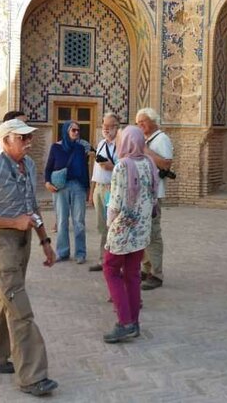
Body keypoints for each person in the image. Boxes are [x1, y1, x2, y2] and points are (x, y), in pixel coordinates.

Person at [0, 119, 58, 397]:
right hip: (2, 241)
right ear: (5, 141)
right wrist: (12, 222)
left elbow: (31, 206)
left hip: (24, 241)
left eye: (29, 138)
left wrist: (44, 240)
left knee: (5, 298)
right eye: (22, 138)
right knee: (20, 308)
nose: (28, 143)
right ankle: (32, 375)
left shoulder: (28, 165)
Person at [102, 125, 158, 343]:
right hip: (142, 228)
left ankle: (124, 322)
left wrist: (110, 225)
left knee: (111, 269)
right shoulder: (149, 163)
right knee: (132, 274)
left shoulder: (122, 166)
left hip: (123, 228)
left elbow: (114, 202)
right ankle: (133, 321)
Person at [136, 108, 174, 290]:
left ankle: (157, 274)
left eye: (143, 121)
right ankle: (146, 268)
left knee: (153, 234)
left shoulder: (162, 139)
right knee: (144, 233)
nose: (140, 125)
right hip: (143, 194)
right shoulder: (147, 140)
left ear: (153, 121)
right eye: (137, 123)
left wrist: (145, 150)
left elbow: (166, 163)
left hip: (154, 195)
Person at [0, 110, 27, 292]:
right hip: (3, 227)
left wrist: (44, 240)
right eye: (22, 134)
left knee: (9, 285)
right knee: (8, 285)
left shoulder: (25, 162)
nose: (27, 139)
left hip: (18, 228)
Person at [44, 120, 90, 263]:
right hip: (60, 187)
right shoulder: (56, 147)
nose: (76, 132)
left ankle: (80, 253)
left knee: (79, 221)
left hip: (78, 186)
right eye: (73, 130)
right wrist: (47, 182)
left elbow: (84, 169)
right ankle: (63, 252)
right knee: (62, 220)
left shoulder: (80, 148)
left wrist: (87, 188)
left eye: (78, 130)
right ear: (66, 131)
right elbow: (49, 167)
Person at [89, 112, 119, 272]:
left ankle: (113, 261)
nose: (106, 129)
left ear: (116, 127)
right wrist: (92, 191)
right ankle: (103, 260)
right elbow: (95, 170)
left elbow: (124, 170)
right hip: (99, 189)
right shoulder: (101, 144)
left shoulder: (121, 146)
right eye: (104, 126)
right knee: (102, 226)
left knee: (112, 226)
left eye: (109, 126)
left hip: (112, 190)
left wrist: (111, 167)